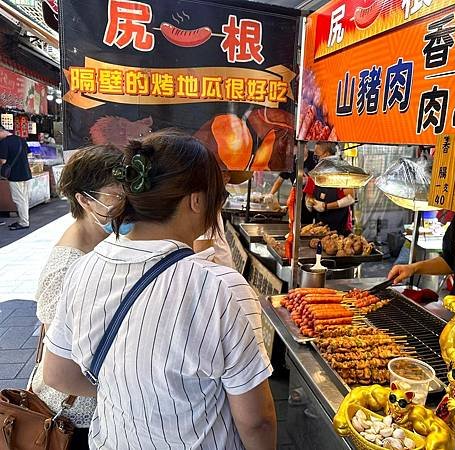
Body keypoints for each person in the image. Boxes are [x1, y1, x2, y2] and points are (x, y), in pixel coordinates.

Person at [43, 130, 276, 450]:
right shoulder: (222, 289)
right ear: (197, 200)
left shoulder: (83, 269)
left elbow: (57, 373)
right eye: (218, 198)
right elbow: (256, 420)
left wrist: (133, 387)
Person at [31, 144, 124, 449]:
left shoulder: (107, 245)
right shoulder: (66, 268)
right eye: (116, 196)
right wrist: (131, 388)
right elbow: (59, 371)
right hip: (73, 419)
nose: (127, 205)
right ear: (84, 199)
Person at [304, 142, 356, 235]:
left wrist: (326, 206)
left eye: (317, 155)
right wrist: (309, 202)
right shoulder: (316, 172)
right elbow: (309, 194)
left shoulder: (342, 170)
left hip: (340, 226)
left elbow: (350, 198)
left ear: (326, 154)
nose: (315, 157)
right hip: (319, 226)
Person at [193, 170, 234, 269]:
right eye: (223, 171)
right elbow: (202, 253)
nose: (228, 176)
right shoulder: (204, 202)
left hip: (220, 271)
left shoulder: (210, 198)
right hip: (215, 273)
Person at [266, 146, 317, 224]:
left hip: (313, 197)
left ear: (305, 145)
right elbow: (280, 179)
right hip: (296, 197)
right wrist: (271, 194)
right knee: (295, 222)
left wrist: (308, 181)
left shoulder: (315, 158)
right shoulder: (291, 161)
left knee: (309, 224)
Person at [0, 125, 33, 230]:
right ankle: (23, 220)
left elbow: (3, 161)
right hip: (26, 173)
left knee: (19, 199)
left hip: (15, 175)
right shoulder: (21, 139)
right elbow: (29, 155)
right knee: (24, 199)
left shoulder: (4, 143)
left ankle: (24, 222)